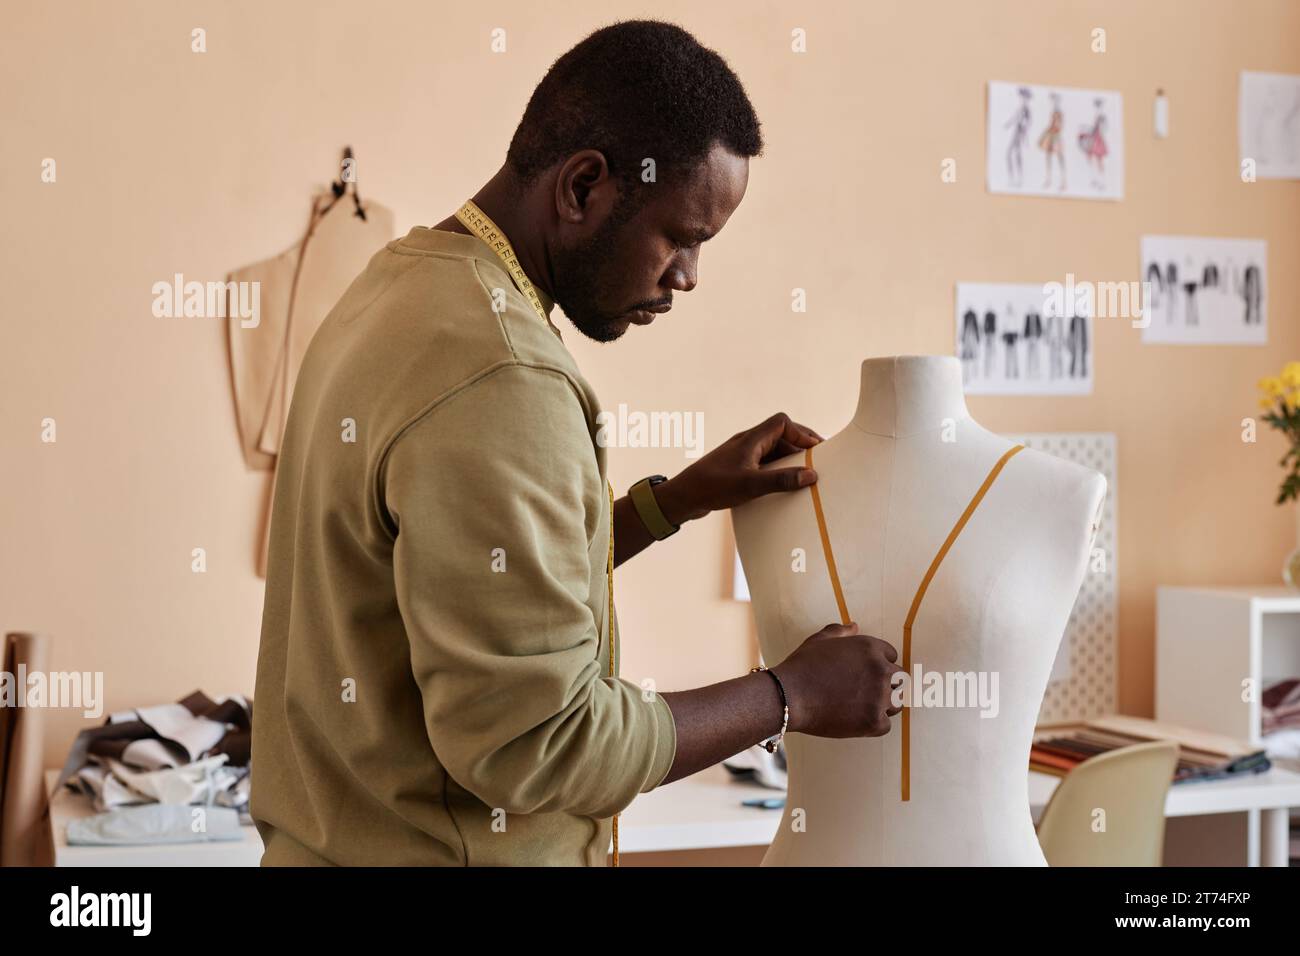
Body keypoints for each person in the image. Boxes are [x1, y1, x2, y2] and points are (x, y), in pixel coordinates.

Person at [251, 19, 901, 867]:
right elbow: (542, 742)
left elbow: (473, 576)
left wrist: (673, 502)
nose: (688, 277)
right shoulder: (502, 373)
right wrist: (788, 696)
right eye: (681, 236)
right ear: (584, 186)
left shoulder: (399, 287)